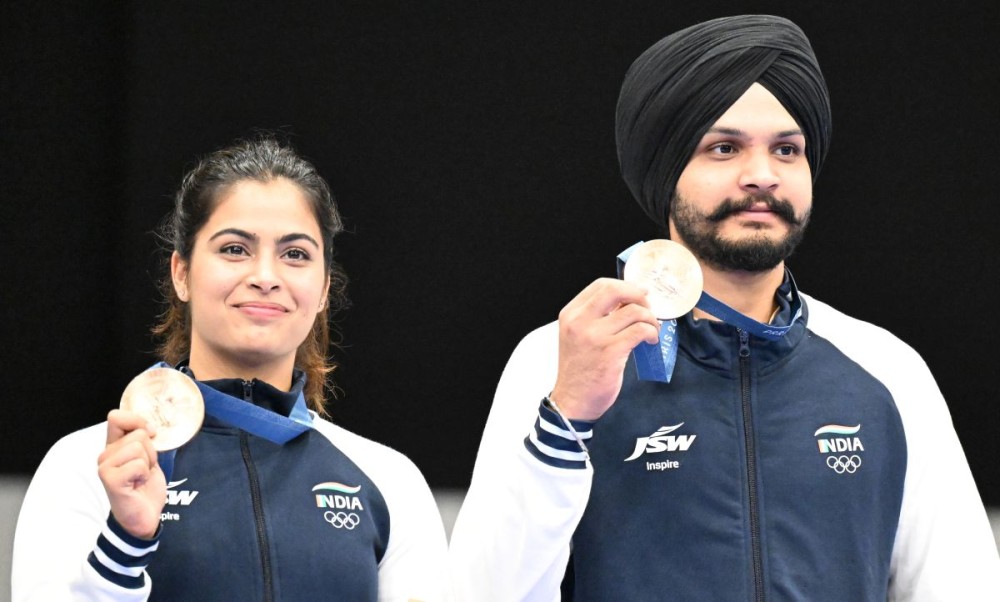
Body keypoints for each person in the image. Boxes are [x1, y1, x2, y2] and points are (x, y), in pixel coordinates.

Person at [447, 14, 1000, 601]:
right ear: (666, 173)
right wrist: (566, 418)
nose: (761, 175)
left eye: (787, 149)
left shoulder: (888, 371)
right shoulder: (561, 358)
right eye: (724, 147)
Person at [12, 136, 447, 601]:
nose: (265, 275)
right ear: (181, 274)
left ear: (323, 290)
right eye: (235, 249)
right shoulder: (88, 465)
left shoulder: (389, 480)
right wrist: (126, 541)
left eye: (295, 254)